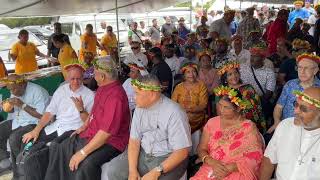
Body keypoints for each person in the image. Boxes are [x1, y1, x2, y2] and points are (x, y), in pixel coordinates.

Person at [43, 58, 130, 180]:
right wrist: (84, 126)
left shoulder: (115, 97)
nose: (93, 76)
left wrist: (82, 153)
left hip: (112, 142)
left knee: (86, 163)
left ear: (103, 76)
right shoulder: (102, 87)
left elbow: (105, 133)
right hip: (92, 133)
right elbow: (95, 110)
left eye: (94, 74)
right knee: (60, 146)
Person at [101, 74, 192, 180]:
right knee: (115, 170)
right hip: (144, 152)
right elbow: (134, 141)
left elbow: (182, 152)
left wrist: (157, 171)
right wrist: (132, 170)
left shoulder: (174, 112)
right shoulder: (139, 108)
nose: (133, 97)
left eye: (137, 93)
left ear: (152, 95)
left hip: (168, 157)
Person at [21, 64, 94, 179]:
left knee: (52, 148)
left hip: (73, 130)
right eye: (72, 79)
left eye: (78, 78)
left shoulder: (89, 95)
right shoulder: (61, 90)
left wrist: (81, 109)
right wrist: (36, 130)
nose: (75, 82)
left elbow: (88, 122)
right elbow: (49, 112)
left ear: (83, 77)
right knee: (29, 145)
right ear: (67, 78)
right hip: (56, 127)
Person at [191, 85, 263, 180]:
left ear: (238, 109)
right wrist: (212, 162)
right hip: (212, 167)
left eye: (226, 107)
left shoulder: (248, 127)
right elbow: (201, 148)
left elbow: (256, 156)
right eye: (220, 105)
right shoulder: (212, 122)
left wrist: (229, 168)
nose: (221, 110)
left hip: (238, 170)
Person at [260, 87, 320, 180]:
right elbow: (269, 160)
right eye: (296, 104)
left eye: (304, 109)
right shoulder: (285, 125)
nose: (295, 111)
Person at [0, 74, 49, 178]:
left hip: (34, 123)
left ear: (22, 84)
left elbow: (42, 115)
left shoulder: (38, 92)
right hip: (18, 121)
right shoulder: (15, 89)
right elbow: (14, 109)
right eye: (10, 90)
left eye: (13, 90)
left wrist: (22, 105)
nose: (12, 92)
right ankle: (5, 161)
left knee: (14, 138)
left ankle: (19, 172)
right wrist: (9, 108)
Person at [271, 54, 320, 133]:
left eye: (306, 68)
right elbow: (279, 107)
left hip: (309, 131)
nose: (302, 71)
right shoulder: (290, 84)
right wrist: (277, 122)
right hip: (286, 128)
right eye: (300, 67)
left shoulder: (319, 89)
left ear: (315, 70)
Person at [217, 60, 266, 133]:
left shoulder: (248, 88)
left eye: (235, 73)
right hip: (232, 126)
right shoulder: (222, 92)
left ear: (239, 74)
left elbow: (257, 106)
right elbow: (220, 112)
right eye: (230, 74)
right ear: (225, 79)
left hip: (251, 123)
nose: (234, 76)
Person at [172, 62, 208, 154]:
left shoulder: (201, 85)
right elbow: (173, 104)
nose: (191, 74)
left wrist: (188, 110)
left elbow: (203, 104)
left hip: (197, 120)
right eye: (188, 72)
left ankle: (194, 157)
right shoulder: (178, 87)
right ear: (184, 75)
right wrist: (181, 113)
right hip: (181, 119)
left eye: (194, 72)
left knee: (195, 147)